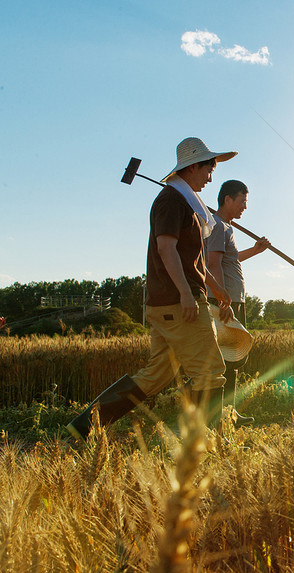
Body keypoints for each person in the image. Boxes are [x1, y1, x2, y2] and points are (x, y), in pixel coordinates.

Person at [66, 137, 237, 441]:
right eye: (209, 169)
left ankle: (84, 427)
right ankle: (204, 444)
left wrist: (217, 290)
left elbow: (193, 261)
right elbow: (165, 249)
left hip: (167, 303)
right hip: (177, 303)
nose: (211, 177)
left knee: (156, 375)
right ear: (193, 166)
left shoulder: (185, 203)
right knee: (210, 371)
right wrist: (186, 293)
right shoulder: (172, 200)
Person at [205, 180, 270, 425]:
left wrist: (255, 250)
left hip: (230, 301)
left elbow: (230, 260)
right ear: (227, 199)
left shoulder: (226, 228)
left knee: (233, 359)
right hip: (223, 302)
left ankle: (228, 414)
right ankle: (219, 416)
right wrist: (223, 300)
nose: (244, 206)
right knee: (226, 359)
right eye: (242, 201)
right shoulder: (219, 227)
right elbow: (212, 264)